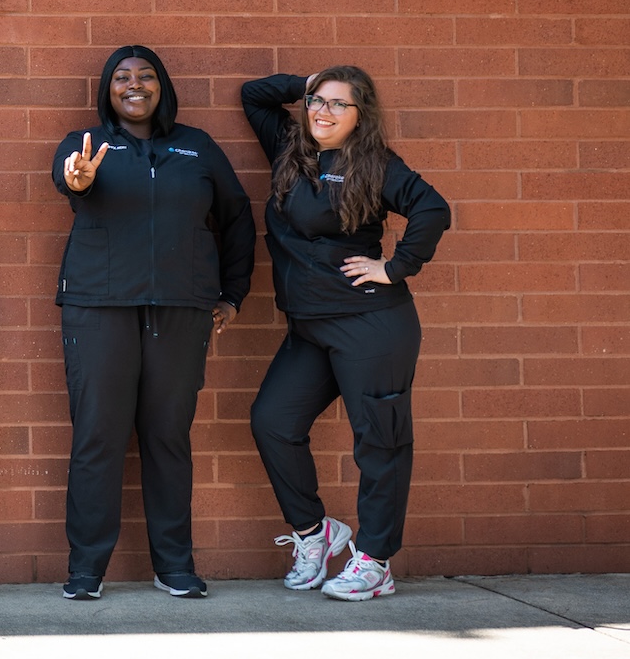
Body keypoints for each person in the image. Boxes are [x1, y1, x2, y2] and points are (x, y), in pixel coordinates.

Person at [53, 45, 255, 601]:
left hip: (180, 310)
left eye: (145, 75)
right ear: (107, 89)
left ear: (162, 85)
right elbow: (70, 180)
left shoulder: (197, 147)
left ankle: (175, 565)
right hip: (99, 309)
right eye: (122, 77)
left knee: (168, 437)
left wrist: (232, 294)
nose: (134, 84)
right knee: (98, 437)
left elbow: (238, 218)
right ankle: (86, 569)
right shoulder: (84, 145)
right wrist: (79, 178)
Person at [243, 67, 451, 601]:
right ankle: (315, 533)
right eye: (317, 101)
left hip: (370, 325)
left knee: (379, 442)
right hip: (309, 327)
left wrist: (396, 267)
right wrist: (312, 80)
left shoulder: (377, 164)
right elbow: (255, 96)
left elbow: (433, 209)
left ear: (362, 116)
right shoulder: (289, 147)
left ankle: (376, 561)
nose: (323, 111)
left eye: (339, 104)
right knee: (273, 422)